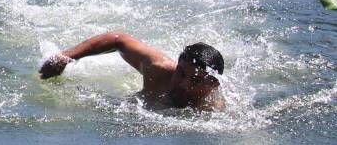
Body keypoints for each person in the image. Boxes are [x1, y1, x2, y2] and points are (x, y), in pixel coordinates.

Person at [39, 32, 226, 111]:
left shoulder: (213, 109)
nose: (183, 84)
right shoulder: (159, 69)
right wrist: (67, 56)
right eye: (181, 74)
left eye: (195, 80)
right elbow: (119, 39)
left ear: (212, 84)